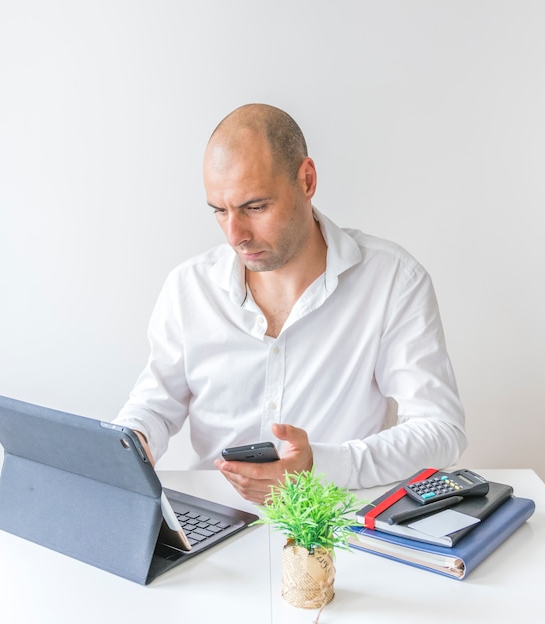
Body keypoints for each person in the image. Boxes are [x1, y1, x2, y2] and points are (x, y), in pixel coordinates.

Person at [113, 103, 467, 504]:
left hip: (335, 524)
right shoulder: (188, 287)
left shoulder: (392, 280)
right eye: (220, 211)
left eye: (255, 207)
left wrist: (321, 465)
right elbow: (154, 408)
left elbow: (440, 430)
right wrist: (129, 445)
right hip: (213, 520)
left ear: (307, 180)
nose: (235, 235)